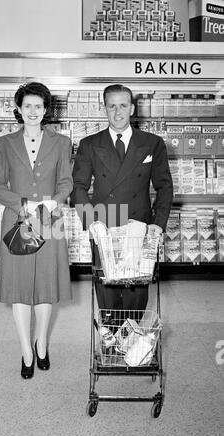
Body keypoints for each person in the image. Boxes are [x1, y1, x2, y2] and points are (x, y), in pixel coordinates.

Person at [0, 82, 73, 379]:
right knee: (20, 288)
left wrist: (54, 202)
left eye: (39, 106)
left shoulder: (62, 143)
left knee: (46, 288)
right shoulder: (3, 144)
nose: (33, 111)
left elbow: (66, 181)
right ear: (19, 109)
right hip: (16, 221)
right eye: (28, 106)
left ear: (47, 110)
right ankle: (26, 350)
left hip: (50, 221)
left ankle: (42, 343)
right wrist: (22, 203)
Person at [71, 84, 173, 313]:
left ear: (132, 108)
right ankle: (112, 344)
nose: (118, 112)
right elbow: (78, 187)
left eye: (123, 106)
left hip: (139, 227)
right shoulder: (89, 144)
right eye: (112, 106)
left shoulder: (152, 143)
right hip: (103, 227)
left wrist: (158, 223)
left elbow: (164, 186)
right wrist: (91, 222)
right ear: (104, 109)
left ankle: (133, 344)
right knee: (107, 295)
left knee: (136, 295)